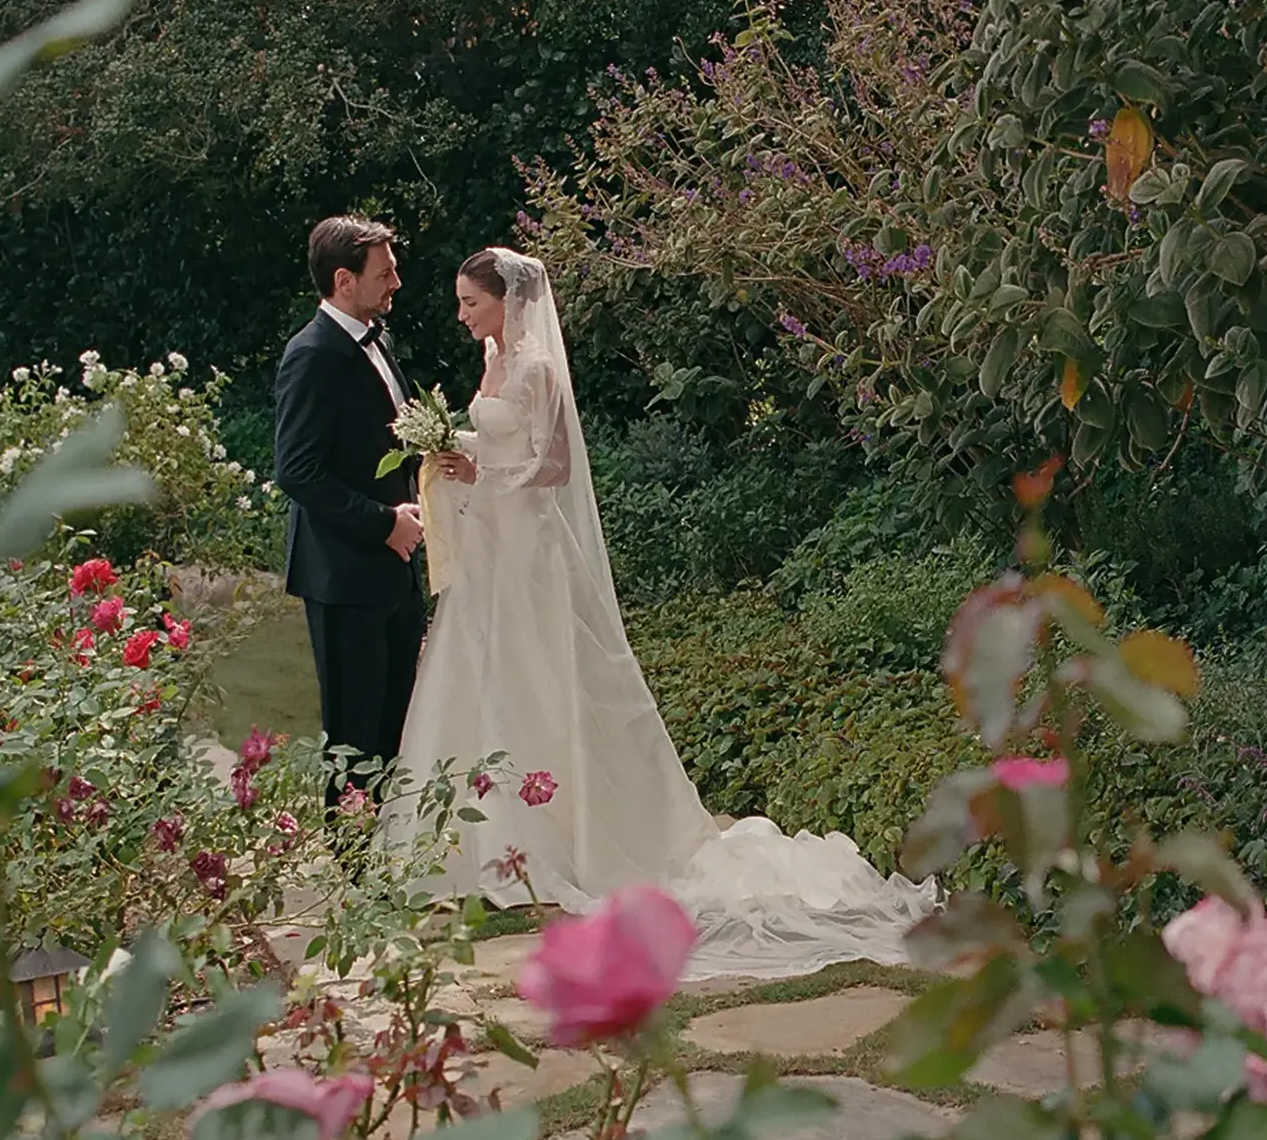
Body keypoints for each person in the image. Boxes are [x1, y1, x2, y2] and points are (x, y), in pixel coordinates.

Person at [384, 245, 935, 981]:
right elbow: (496, 439)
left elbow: (553, 466)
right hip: (493, 552)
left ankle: (566, 835)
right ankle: (482, 844)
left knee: (544, 681)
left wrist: (483, 471)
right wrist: (454, 451)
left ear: (507, 301)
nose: (462, 314)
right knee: (486, 681)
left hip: (532, 553)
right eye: (460, 302)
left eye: (469, 301)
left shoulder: (540, 369)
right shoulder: (491, 361)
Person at [273, 214, 429, 788]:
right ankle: (352, 867)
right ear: (345, 280)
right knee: (351, 735)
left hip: (395, 573)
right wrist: (383, 523)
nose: (396, 282)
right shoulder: (312, 355)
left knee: (396, 726)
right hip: (343, 577)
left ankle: (391, 852)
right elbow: (297, 470)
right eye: (385, 273)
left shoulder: (378, 341)